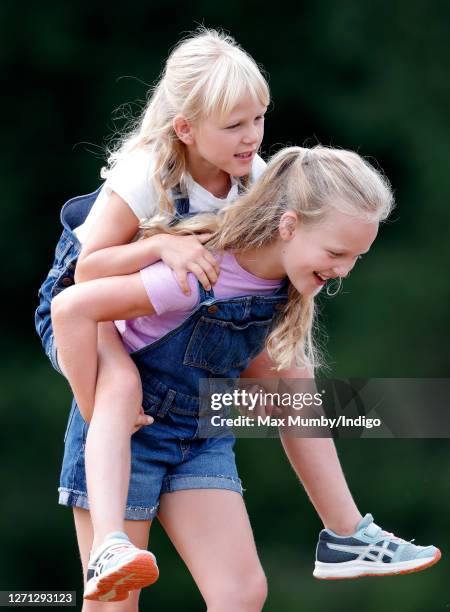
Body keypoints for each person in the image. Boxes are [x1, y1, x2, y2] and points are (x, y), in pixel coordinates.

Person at [51, 145, 440, 611]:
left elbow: (292, 405)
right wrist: (98, 408)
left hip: (199, 435)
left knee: (241, 594)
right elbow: (71, 305)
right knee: (116, 604)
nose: (343, 271)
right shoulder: (200, 273)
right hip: (131, 437)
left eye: (357, 257)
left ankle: (346, 535)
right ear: (289, 225)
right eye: (337, 252)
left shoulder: (283, 289)